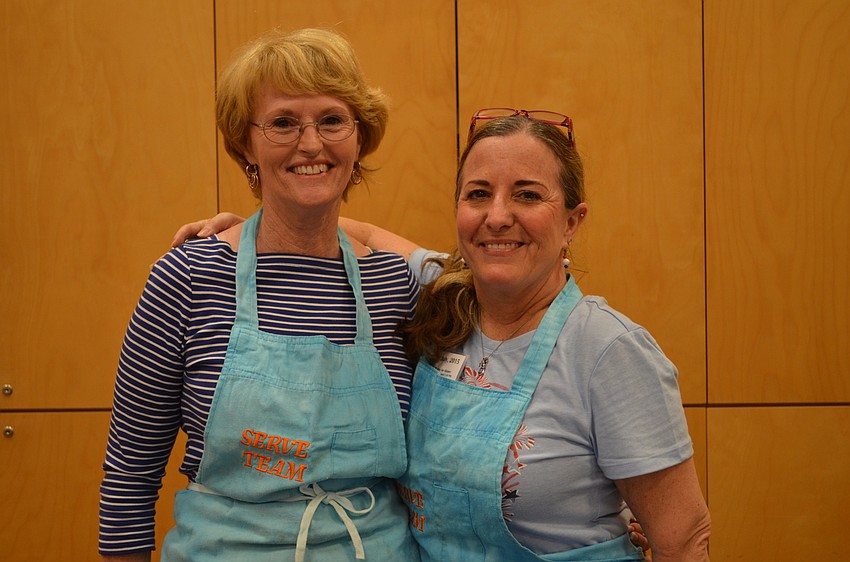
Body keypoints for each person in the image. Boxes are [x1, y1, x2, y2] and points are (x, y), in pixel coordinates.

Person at [175, 109, 710, 560]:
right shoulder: (439, 297)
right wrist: (242, 230)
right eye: (479, 194)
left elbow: (684, 537)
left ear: (573, 221)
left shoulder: (608, 350)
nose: (497, 217)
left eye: (527, 195)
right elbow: (344, 229)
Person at [98, 28, 422, 561]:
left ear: (360, 135)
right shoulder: (189, 276)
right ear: (244, 143)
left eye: (332, 120)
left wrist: (345, 226)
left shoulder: (396, 285)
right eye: (283, 123)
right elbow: (130, 476)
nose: (311, 143)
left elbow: (484, 271)